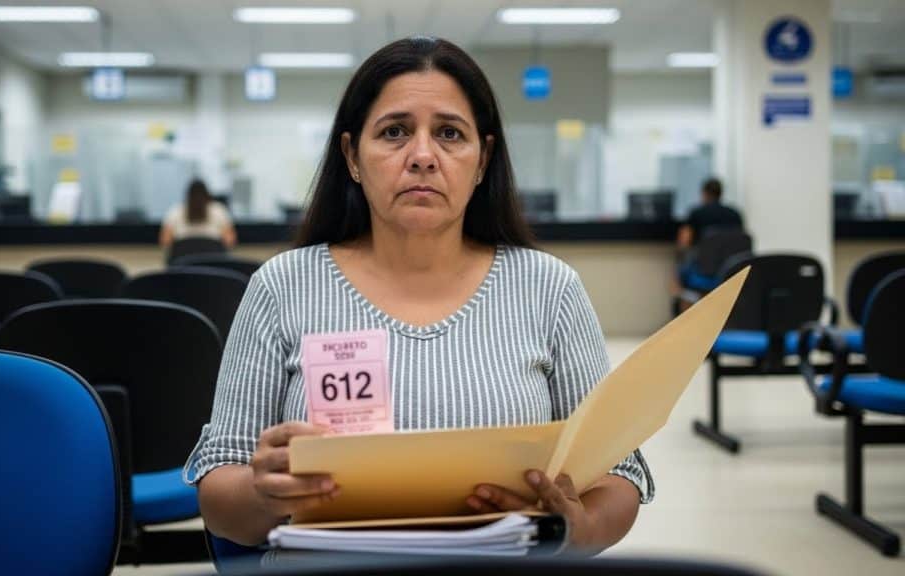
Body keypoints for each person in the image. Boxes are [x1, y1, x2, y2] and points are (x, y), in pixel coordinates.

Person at [183, 36, 652, 555]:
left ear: (483, 159)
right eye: (395, 132)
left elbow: (619, 474)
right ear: (352, 156)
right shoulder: (283, 287)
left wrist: (578, 530)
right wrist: (262, 493)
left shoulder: (550, 288)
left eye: (450, 133)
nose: (423, 156)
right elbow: (218, 490)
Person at [672, 178, 744, 312]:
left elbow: (683, 243)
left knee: (679, 269)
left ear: (704, 194)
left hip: (703, 272)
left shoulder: (697, 214)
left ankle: (684, 320)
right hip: (731, 271)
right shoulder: (736, 215)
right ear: (720, 193)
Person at [159, 179, 237, 249]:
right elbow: (229, 240)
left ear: (188, 196)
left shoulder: (175, 211)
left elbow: (165, 241)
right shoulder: (219, 210)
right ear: (207, 195)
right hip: (212, 260)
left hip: (182, 261)